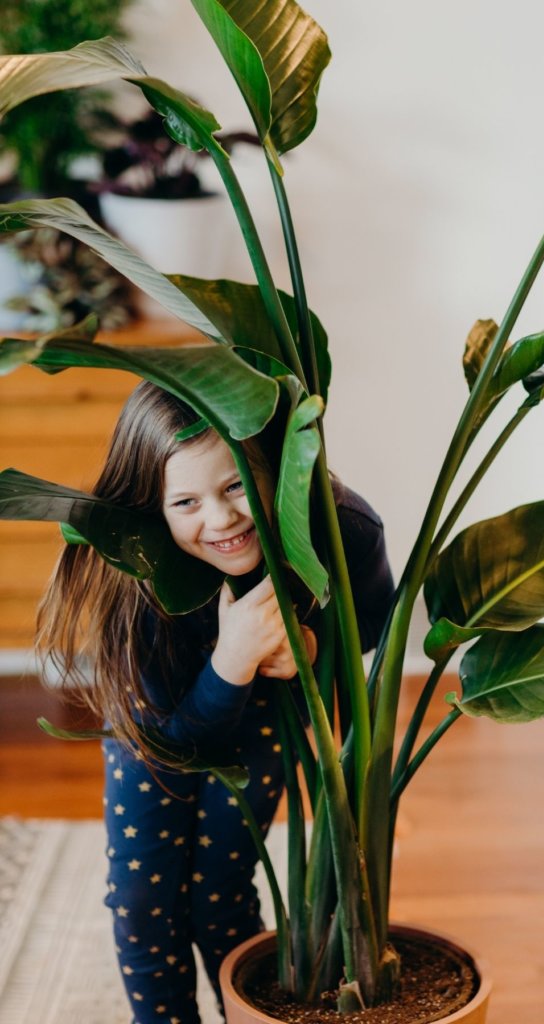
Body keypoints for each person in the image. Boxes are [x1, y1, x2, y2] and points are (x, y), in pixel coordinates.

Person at [37, 380, 394, 1024]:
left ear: (272, 468)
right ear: (152, 505)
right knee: (144, 905)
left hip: (264, 721)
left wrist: (312, 645)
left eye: (236, 486)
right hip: (156, 736)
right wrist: (232, 659)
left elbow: (372, 622)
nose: (222, 519)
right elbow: (175, 747)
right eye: (186, 502)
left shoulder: (343, 527)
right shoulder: (135, 578)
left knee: (221, 893)